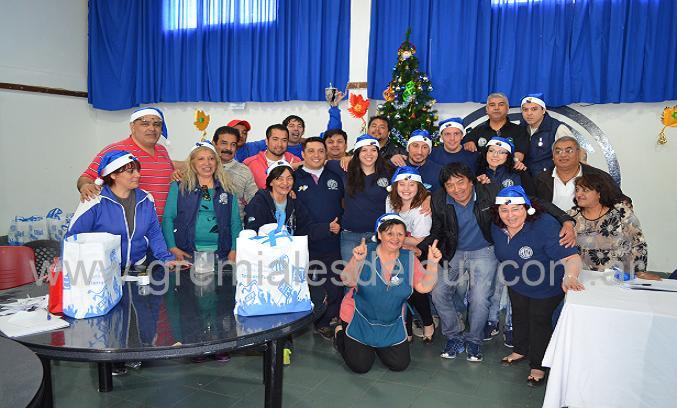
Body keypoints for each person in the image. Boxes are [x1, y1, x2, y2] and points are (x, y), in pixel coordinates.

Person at [418, 163, 575, 363]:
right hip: (453, 251)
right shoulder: (439, 199)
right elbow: (437, 229)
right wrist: (421, 248)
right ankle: (453, 336)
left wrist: (566, 220)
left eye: (460, 182)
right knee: (438, 292)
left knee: (479, 298)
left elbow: (533, 201)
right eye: (450, 185)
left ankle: (474, 340)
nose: (456, 189)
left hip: (484, 250)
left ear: (472, 181)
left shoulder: (491, 191)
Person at [244, 160, 340, 365]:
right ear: (270, 181)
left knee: (284, 303)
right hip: (264, 264)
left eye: (289, 179)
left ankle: (283, 344)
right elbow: (251, 232)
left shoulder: (294, 203)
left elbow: (306, 228)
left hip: (286, 263)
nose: (285, 183)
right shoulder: (259, 202)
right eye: (280, 178)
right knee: (267, 303)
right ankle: (263, 343)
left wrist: (326, 228)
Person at [491, 186, 584, 386]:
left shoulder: (545, 225)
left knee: (539, 322)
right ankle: (520, 350)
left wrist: (570, 276)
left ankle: (539, 365)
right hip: (516, 282)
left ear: (527, 208)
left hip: (546, 285)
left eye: (516, 209)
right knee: (519, 315)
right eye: (504, 210)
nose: (510, 215)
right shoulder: (496, 226)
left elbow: (571, 257)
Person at [334, 214, 442, 374]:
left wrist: (432, 264)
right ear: (379, 234)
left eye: (400, 234)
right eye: (389, 233)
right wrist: (357, 261)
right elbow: (347, 280)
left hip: (391, 323)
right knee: (360, 366)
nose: (395, 238)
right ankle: (340, 334)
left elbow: (424, 287)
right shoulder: (365, 252)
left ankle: (375, 346)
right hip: (358, 318)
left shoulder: (409, 258)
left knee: (400, 365)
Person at [68, 150, 178, 269]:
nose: (138, 175)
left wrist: (166, 258)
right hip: (103, 270)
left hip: (138, 267)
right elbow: (72, 238)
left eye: (138, 170)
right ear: (113, 175)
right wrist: (69, 269)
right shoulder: (95, 200)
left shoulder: (146, 199)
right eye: (130, 171)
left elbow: (154, 233)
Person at [77, 107, 175, 220]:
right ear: (132, 126)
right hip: (129, 224)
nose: (152, 128)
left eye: (157, 124)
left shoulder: (162, 151)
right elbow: (87, 177)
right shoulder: (115, 150)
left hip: (161, 226)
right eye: (145, 124)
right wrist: (85, 186)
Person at [293, 137, 345, 340]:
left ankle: (325, 322)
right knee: (307, 284)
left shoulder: (335, 177)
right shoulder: (293, 178)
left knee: (333, 284)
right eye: (311, 151)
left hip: (331, 242)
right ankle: (302, 321)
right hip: (304, 243)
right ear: (303, 154)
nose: (316, 155)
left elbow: (344, 204)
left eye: (321, 151)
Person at [162, 141, 242, 263]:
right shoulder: (179, 186)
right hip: (186, 253)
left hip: (221, 254)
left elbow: (235, 221)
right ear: (192, 163)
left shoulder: (228, 188)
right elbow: (168, 217)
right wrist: (172, 247)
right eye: (201, 159)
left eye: (211, 158)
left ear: (217, 162)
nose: (207, 163)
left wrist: (234, 249)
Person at [569, 173, 656, 279]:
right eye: (577, 190)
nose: (579, 194)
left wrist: (639, 273)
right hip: (584, 278)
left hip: (621, 278)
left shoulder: (620, 212)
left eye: (585, 190)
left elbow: (638, 243)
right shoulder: (570, 217)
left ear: (599, 193)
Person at [326, 135, 394, 262]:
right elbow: (319, 163)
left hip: (379, 235)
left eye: (373, 150)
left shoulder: (389, 171)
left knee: (374, 272)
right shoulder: (344, 169)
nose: (369, 154)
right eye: (364, 150)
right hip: (350, 235)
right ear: (357, 153)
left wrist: (427, 199)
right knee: (351, 273)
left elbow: (411, 184)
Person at [385, 167, 434, 342]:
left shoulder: (422, 209)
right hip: (395, 250)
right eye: (402, 184)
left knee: (415, 289)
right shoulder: (390, 200)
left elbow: (419, 239)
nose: (406, 189)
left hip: (419, 252)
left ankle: (428, 322)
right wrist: (394, 241)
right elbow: (387, 227)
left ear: (418, 186)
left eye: (411, 184)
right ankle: (406, 327)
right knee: (396, 288)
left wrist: (392, 239)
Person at [534, 136, 629, 211]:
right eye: (558, 151)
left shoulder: (598, 176)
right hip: (552, 227)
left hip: (589, 227)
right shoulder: (540, 179)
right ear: (552, 156)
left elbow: (621, 201)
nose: (563, 155)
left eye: (569, 151)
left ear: (578, 153)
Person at [462, 93, 529, 164]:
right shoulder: (477, 131)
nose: (496, 108)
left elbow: (519, 156)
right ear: (487, 109)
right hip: (481, 171)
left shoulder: (519, 131)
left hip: (508, 170)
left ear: (507, 108)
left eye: (501, 105)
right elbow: (462, 146)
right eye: (492, 105)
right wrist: (468, 143)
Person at [519, 93, 575, 176]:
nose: (529, 113)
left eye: (534, 109)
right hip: (526, 178)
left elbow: (574, 153)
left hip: (549, 178)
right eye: (525, 110)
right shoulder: (520, 128)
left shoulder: (557, 128)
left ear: (543, 110)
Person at [211, 125, 258, 222]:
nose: (228, 148)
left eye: (233, 144)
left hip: (236, 226)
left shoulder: (244, 171)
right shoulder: (203, 168)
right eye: (224, 143)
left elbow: (254, 202)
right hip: (205, 225)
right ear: (214, 144)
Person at [243, 124, 301, 189]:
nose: (279, 144)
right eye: (275, 139)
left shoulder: (296, 161)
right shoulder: (249, 164)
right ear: (266, 141)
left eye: (284, 140)